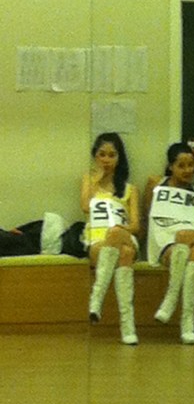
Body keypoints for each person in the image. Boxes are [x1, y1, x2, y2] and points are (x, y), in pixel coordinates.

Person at [144, 142, 194, 344]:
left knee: (187, 239)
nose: (187, 170)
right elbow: (147, 213)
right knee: (193, 252)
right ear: (170, 166)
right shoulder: (156, 183)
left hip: (193, 234)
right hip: (165, 240)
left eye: (190, 165)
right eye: (181, 166)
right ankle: (186, 319)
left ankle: (174, 303)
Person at [81, 132, 141, 344]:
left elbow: (135, 226)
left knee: (116, 235)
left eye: (112, 155)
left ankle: (96, 300)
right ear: (95, 156)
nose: (106, 160)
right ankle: (128, 326)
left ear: (119, 158)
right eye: (102, 154)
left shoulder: (130, 189)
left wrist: (119, 230)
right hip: (96, 240)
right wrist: (96, 180)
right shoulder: (88, 180)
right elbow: (85, 207)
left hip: (123, 235)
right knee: (124, 254)